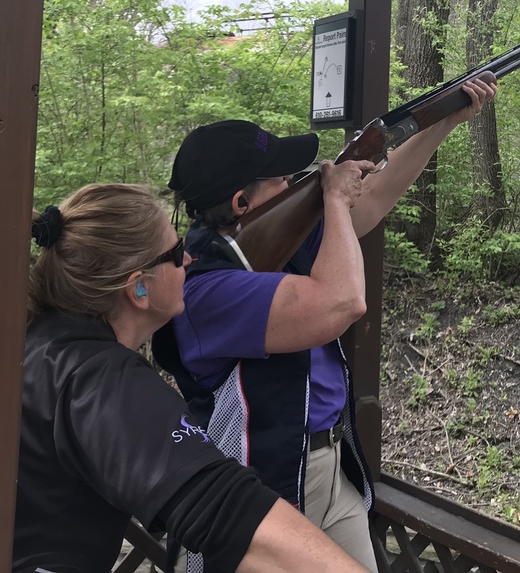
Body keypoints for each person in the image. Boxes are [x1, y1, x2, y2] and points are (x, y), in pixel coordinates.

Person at [156, 77, 496, 573]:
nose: (301, 183)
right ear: (241, 204)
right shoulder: (208, 288)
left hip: (329, 462)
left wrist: (443, 122)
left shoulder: (271, 249)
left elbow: (374, 200)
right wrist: (333, 201)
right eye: (284, 179)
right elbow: (342, 303)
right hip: (263, 483)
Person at [14, 182, 370, 573]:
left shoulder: (38, 341)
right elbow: (222, 509)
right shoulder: (98, 378)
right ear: (138, 287)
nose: (186, 258)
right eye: (172, 252)